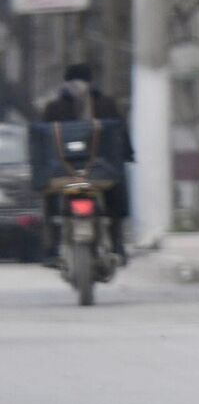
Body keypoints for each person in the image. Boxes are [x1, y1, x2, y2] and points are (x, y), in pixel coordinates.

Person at [41, 64, 132, 260]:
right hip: (99, 172)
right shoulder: (106, 104)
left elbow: (43, 140)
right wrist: (128, 154)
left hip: (65, 172)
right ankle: (117, 244)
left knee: (51, 199)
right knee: (117, 191)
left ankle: (51, 248)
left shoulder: (53, 107)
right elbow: (120, 135)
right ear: (91, 81)